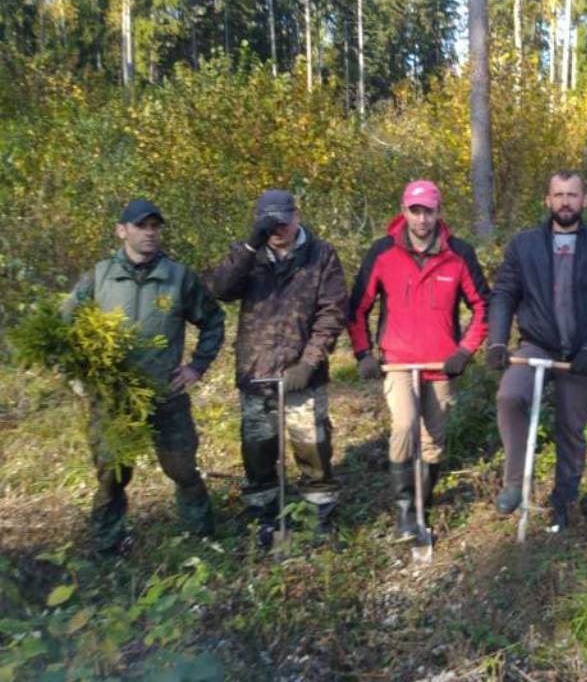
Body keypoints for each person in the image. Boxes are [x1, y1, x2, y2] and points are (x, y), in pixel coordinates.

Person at [65, 199, 225, 555]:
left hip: (166, 395)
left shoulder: (178, 277)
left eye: (155, 226)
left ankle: (200, 539)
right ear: (121, 230)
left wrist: (196, 366)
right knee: (111, 475)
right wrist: (78, 378)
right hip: (113, 400)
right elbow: (65, 329)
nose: (150, 233)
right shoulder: (100, 277)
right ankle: (108, 545)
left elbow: (213, 321)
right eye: (141, 226)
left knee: (183, 470)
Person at [486, 171, 587, 533]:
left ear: (585, 201)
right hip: (537, 343)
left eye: (573, 195)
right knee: (509, 396)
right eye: (558, 195)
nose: (565, 201)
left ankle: (564, 499)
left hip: (581, 351)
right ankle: (515, 482)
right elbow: (504, 294)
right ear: (547, 200)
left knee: (571, 425)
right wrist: (498, 342)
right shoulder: (525, 245)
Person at [348, 180, 489, 540]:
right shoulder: (382, 253)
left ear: (438, 211)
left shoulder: (459, 254)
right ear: (404, 211)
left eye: (428, 210)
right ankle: (405, 513)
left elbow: (482, 307)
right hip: (397, 361)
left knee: (434, 438)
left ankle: (424, 502)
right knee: (403, 427)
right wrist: (364, 353)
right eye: (415, 210)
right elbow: (358, 308)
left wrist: (464, 351)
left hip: (441, 364)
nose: (422, 219)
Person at [208, 190, 347, 545]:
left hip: (302, 374)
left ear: (296, 217)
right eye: (269, 223)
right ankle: (265, 519)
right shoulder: (247, 255)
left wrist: (309, 362)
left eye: (283, 221)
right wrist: (251, 246)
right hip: (257, 373)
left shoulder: (321, 255)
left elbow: (332, 312)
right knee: (259, 449)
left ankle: (318, 516)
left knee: (312, 446)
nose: (277, 229)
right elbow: (220, 288)